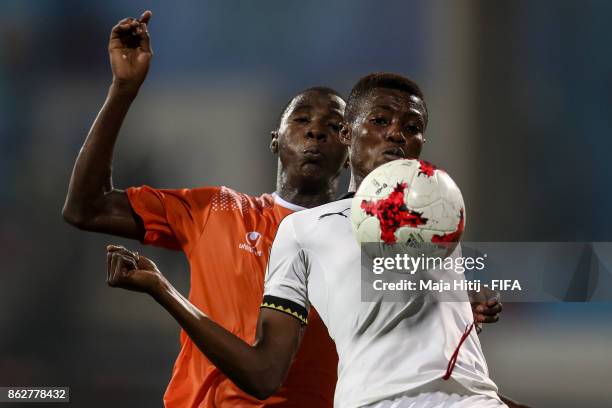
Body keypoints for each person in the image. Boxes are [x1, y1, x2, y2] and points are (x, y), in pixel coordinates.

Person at [63, 9, 502, 407]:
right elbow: (87, 207)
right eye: (301, 120)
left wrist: (454, 312)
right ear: (275, 139)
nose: (316, 133)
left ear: (348, 142)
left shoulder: (373, 239)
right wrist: (123, 89)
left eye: (332, 125)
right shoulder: (216, 208)